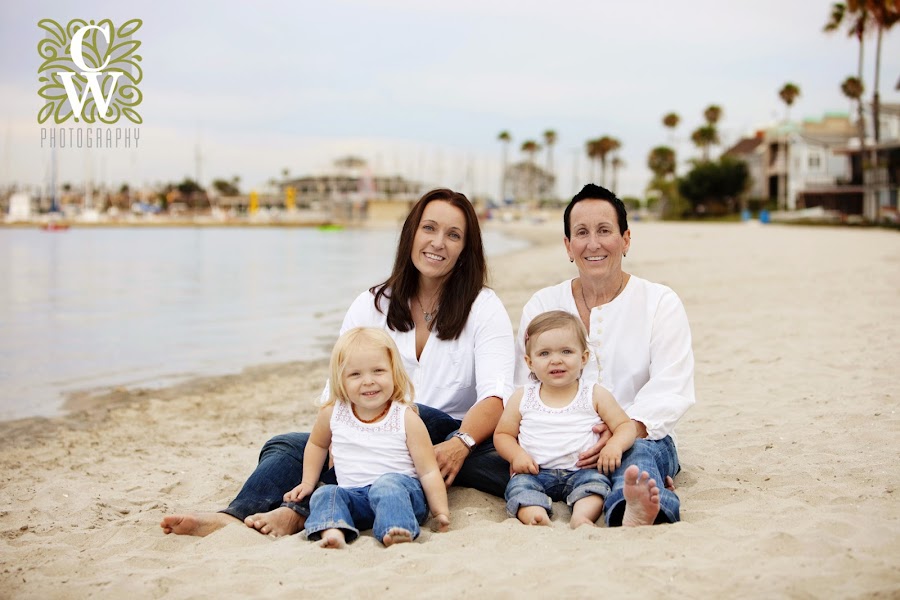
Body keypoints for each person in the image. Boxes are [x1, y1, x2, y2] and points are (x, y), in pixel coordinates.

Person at [161, 188, 515, 538]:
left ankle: (294, 513)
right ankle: (234, 516)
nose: (438, 242)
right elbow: (337, 388)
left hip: (451, 436)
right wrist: (335, 439)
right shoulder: (372, 304)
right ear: (410, 234)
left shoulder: (483, 307)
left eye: (453, 235)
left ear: (465, 251)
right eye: (429, 228)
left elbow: (495, 397)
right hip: (374, 429)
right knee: (286, 447)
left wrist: (461, 444)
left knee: (416, 414)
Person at [514, 183, 695, 527]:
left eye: (604, 231)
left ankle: (632, 508)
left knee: (638, 457)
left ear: (625, 239)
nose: (593, 243)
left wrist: (623, 431)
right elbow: (523, 385)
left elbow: (673, 386)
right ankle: (625, 481)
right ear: (568, 246)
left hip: (639, 435)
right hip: (556, 446)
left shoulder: (659, 302)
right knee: (487, 456)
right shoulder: (542, 304)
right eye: (581, 233)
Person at [285, 327, 450, 548]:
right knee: (326, 493)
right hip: (356, 499)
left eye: (378, 371)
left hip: (401, 497)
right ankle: (333, 529)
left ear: (394, 372)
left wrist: (440, 511)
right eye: (355, 374)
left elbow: (428, 470)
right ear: (340, 379)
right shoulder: (332, 413)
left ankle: (396, 530)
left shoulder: (405, 417)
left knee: (386, 485)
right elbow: (316, 445)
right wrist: (307, 482)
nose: (368, 381)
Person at [495, 310, 637, 528]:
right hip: (535, 471)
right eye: (544, 354)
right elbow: (503, 434)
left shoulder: (594, 394)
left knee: (596, 487)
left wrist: (615, 446)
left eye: (566, 351)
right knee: (519, 488)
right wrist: (516, 455)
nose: (556, 360)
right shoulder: (523, 396)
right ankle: (535, 516)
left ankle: (582, 517)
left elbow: (625, 425)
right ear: (529, 362)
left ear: (583, 358)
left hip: (582, 470)